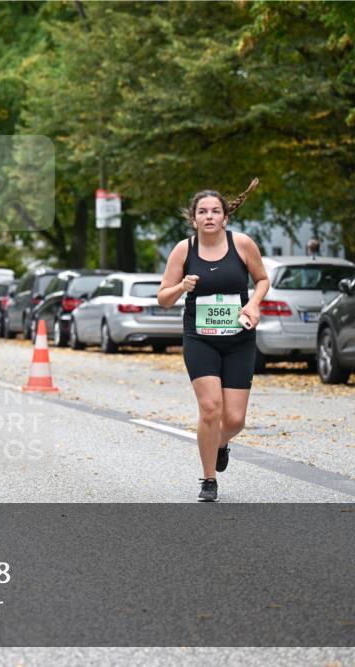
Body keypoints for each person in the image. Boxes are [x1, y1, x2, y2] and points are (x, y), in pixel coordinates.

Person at [157, 180, 268, 502]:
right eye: (202, 212)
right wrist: (181, 288)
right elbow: (163, 297)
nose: (209, 216)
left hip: (239, 338)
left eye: (215, 211)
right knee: (210, 408)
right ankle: (208, 480)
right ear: (194, 219)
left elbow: (262, 279)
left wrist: (253, 303)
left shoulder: (243, 244)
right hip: (199, 338)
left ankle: (221, 443)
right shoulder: (184, 249)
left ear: (225, 218)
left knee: (234, 419)